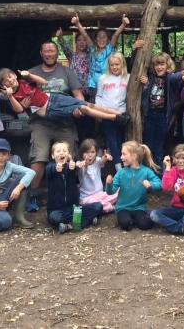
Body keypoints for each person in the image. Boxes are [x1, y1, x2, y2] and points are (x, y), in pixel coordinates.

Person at [22, 40, 87, 212]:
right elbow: (21, 95)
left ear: (57, 53)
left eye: (52, 51)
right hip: (41, 122)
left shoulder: (67, 71)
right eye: (46, 51)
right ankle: (32, 196)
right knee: (39, 156)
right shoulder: (33, 73)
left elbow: (78, 95)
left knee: (70, 157)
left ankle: (72, 193)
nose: (49, 54)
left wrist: (79, 108)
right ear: (41, 53)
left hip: (64, 122)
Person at [137, 48, 183, 170]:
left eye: (162, 64)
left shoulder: (170, 78)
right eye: (157, 64)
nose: (159, 67)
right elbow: (135, 65)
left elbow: (177, 77)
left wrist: (183, 75)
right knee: (148, 145)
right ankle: (147, 170)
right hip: (149, 115)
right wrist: (146, 84)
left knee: (158, 146)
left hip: (162, 116)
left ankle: (158, 171)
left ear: (167, 65)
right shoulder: (151, 77)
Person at [45, 141, 103, 234]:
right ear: (52, 155)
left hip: (73, 208)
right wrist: (56, 168)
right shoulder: (50, 167)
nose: (61, 153)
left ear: (68, 154)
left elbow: (75, 167)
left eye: (64, 151)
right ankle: (84, 221)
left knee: (98, 206)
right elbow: (50, 169)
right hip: (57, 210)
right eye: (58, 151)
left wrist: (74, 165)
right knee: (54, 217)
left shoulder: (71, 167)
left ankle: (69, 225)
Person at [105, 141, 161, 231]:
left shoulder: (146, 171)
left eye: (124, 154)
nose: (121, 157)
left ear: (134, 156)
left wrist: (151, 184)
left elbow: (159, 184)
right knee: (126, 224)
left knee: (145, 225)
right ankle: (131, 220)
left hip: (139, 207)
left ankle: (142, 217)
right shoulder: (121, 172)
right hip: (122, 208)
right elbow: (111, 191)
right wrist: (109, 184)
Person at [73, 13, 129, 100]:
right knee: (94, 107)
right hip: (92, 85)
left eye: (104, 37)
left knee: (105, 106)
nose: (101, 39)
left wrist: (123, 24)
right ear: (95, 39)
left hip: (106, 84)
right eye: (99, 37)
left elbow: (115, 35)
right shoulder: (92, 49)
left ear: (107, 39)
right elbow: (85, 35)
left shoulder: (109, 49)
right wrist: (77, 23)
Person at [96, 52, 131, 171]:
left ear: (122, 64)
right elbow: (98, 96)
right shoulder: (103, 78)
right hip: (107, 114)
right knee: (111, 140)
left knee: (121, 140)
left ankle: (123, 164)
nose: (114, 67)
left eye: (117, 64)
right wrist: (99, 113)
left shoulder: (127, 77)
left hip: (121, 113)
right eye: (112, 65)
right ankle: (118, 168)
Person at [76, 138, 117, 213]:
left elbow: (102, 161)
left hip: (100, 194)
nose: (90, 155)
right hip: (87, 198)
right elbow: (80, 166)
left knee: (118, 192)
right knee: (97, 205)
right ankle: (109, 207)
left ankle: (100, 209)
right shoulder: (79, 163)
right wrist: (84, 164)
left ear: (96, 153)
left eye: (92, 152)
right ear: (82, 153)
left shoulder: (97, 161)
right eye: (87, 152)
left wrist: (105, 157)